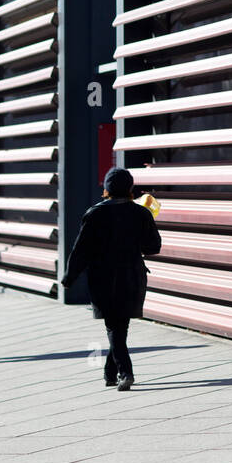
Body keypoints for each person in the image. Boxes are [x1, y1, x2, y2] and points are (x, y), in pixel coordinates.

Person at [61, 167, 162, 390]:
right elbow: (153, 247)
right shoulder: (141, 213)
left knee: (115, 326)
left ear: (106, 189)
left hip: (103, 279)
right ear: (130, 188)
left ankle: (126, 373)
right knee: (119, 326)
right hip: (132, 277)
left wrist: (69, 276)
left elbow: (81, 250)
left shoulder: (94, 213)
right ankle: (110, 373)